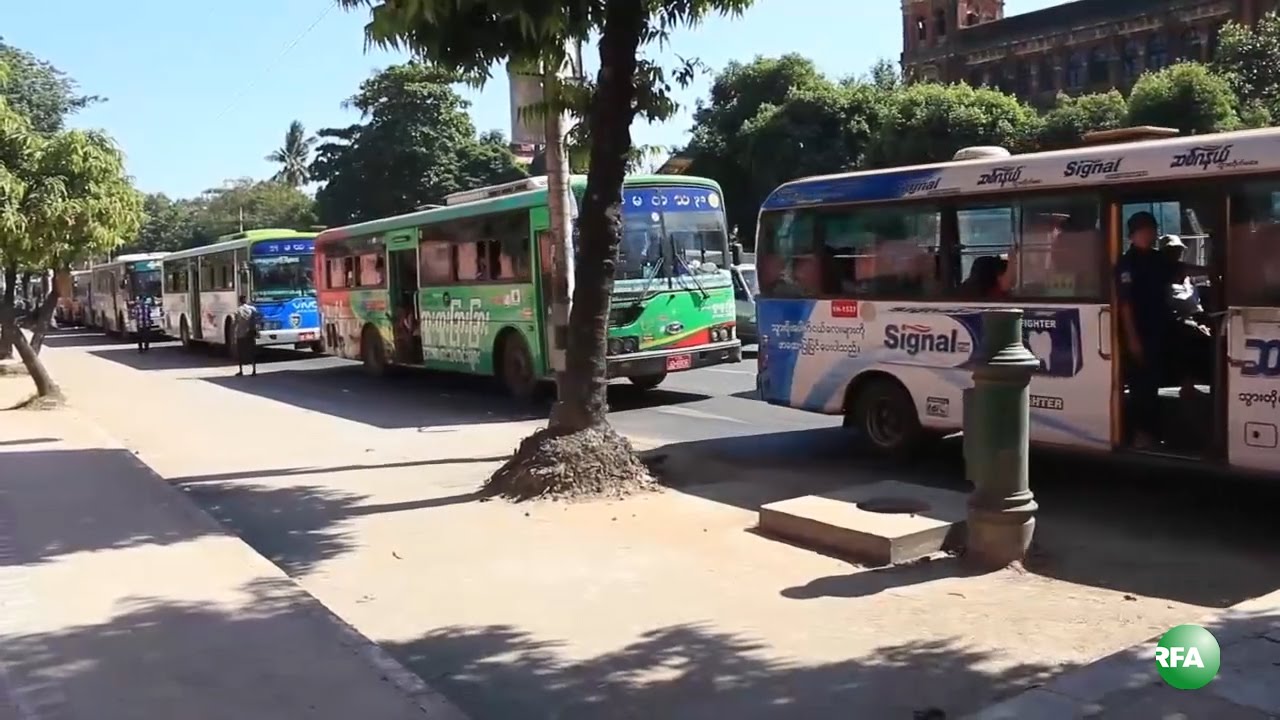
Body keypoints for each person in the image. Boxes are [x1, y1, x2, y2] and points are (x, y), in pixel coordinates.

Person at [1116, 211, 1178, 449]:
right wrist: (1132, 340)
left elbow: (1176, 270)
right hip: (1139, 333)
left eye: (1152, 229)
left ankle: (1154, 434)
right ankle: (1141, 436)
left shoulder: (1157, 258)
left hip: (1158, 329)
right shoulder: (1127, 263)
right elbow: (1126, 304)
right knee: (1141, 387)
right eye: (1145, 230)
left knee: (1153, 385)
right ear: (1133, 235)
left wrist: (1211, 270)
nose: (1150, 234)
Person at [1162, 235, 1213, 397]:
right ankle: (1187, 384)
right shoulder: (1164, 274)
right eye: (1172, 250)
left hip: (1196, 317)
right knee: (1190, 338)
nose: (1176, 253)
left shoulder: (1188, 279)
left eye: (1178, 250)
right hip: (1176, 321)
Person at [234, 295, 260, 377]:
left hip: (241, 334)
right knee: (252, 351)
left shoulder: (238, 310)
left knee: (241, 352)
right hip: (250, 333)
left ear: (239, 301)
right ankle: (254, 370)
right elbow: (258, 317)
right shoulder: (252, 309)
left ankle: (241, 371)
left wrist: (234, 333)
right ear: (246, 300)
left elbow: (235, 323)